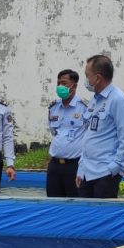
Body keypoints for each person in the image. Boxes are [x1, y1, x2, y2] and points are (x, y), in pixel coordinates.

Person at [77, 55, 124, 198]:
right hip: (87, 173)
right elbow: (89, 135)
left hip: (105, 173)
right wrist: (81, 169)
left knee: (103, 218)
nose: (86, 81)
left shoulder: (118, 99)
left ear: (97, 78)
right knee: (86, 217)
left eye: (87, 76)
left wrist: (114, 168)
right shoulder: (95, 99)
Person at [46, 69, 89, 197]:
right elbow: (54, 132)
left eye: (64, 83)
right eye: (58, 83)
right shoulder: (53, 108)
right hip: (54, 165)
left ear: (74, 85)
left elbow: (89, 135)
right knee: (52, 202)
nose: (60, 86)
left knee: (75, 201)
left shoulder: (84, 108)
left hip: (74, 166)